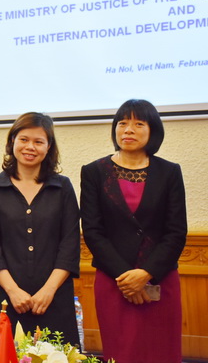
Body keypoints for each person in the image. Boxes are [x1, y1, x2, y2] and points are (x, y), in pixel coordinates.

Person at [80, 99, 187, 363]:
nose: (128, 129)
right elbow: (93, 231)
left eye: (138, 123)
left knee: (162, 352)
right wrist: (126, 278)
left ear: (153, 131)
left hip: (160, 279)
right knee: (122, 352)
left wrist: (146, 274)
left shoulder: (169, 172)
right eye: (122, 123)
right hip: (114, 280)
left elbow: (176, 232)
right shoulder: (94, 172)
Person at [0, 112, 81, 346]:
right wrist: (13, 291)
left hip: (53, 298)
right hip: (5, 298)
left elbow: (70, 244)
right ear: (12, 141)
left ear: (49, 147)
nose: (30, 147)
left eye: (38, 141)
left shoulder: (62, 187)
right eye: (24, 139)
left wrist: (48, 291)